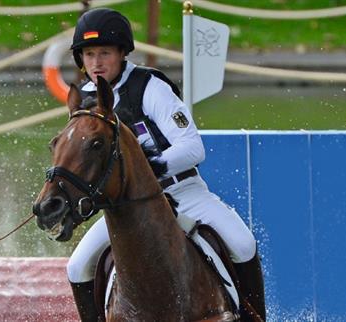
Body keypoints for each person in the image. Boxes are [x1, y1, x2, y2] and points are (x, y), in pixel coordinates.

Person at [65, 8, 266, 322]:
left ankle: (256, 317)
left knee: (243, 243)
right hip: (125, 208)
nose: (96, 63)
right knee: (77, 266)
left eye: (104, 53)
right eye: (89, 55)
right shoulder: (84, 102)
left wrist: (150, 169)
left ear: (122, 53)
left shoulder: (149, 87)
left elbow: (192, 148)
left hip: (183, 193)